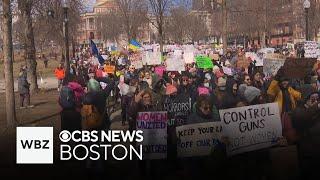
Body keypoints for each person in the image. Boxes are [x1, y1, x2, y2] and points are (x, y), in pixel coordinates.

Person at [292, 92, 320, 180]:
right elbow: (302, 117)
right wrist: (317, 106)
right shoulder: (298, 110)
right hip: (308, 152)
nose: (315, 101)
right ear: (305, 99)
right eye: (312, 99)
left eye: (317, 99)